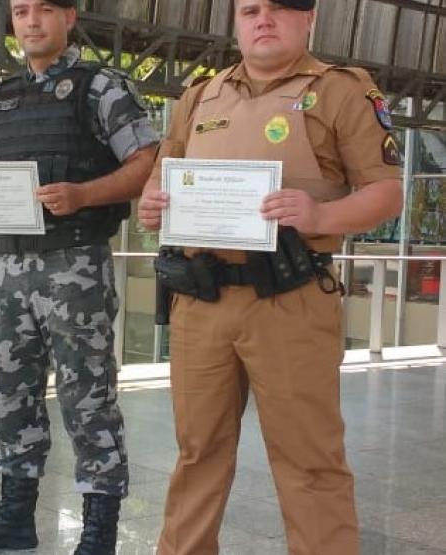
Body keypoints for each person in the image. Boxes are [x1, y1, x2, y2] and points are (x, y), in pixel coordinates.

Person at [137, 1, 403, 553]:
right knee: (196, 454)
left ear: (309, 18)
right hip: (200, 299)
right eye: (250, 9)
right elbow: (163, 176)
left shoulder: (341, 91)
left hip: (290, 297)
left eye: (281, 7)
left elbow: (386, 191)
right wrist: (152, 205)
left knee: (309, 459)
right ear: (236, 21)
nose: (264, 19)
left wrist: (321, 216)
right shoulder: (200, 95)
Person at [0, 0, 158, 552]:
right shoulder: (0, 97)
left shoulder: (101, 86)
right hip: (7, 267)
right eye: (20, 11)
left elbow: (146, 163)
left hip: (74, 264)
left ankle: (98, 532)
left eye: (44, 9)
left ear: (69, 16)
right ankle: (16, 516)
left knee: (88, 399)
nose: (31, 20)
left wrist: (85, 194)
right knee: (12, 394)